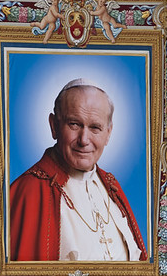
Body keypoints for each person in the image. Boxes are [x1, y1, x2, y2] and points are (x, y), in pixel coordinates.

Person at [9, 78, 148, 262]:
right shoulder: (28, 190)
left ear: (108, 133)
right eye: (74, 124)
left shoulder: (111, 186)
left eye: (95, 128)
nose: (84, 140)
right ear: (54, 126)